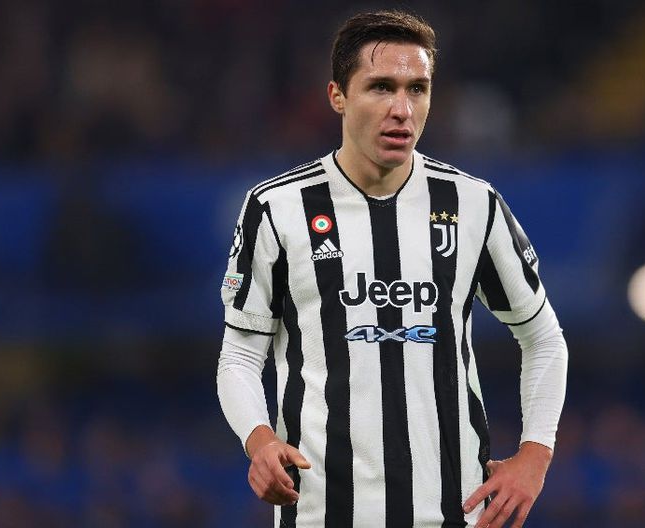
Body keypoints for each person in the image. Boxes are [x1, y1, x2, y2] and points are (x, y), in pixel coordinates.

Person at [217, 10, 568, 528]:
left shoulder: (472, 204)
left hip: (453, 513)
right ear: (338, 95)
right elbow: (240, 355)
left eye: (417, 89)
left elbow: (543, 338)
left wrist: (535, 455)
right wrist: (260, 439)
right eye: (381, 87)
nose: (402, 109)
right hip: (322, 515)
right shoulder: (276, 208)